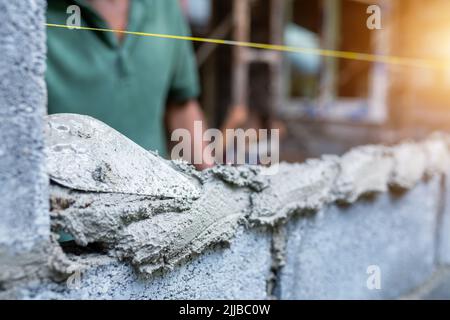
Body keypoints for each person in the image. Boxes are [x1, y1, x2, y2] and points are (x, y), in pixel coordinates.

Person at [46, 0, 212, 170]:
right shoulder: (35, 15)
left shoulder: (165, 6)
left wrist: (210, 184)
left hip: (153, 189)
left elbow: (180, 106)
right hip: (63, 191)